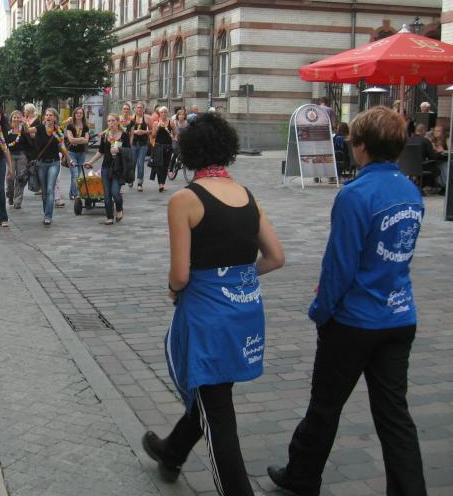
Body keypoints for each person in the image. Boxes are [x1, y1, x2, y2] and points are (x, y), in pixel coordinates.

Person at [268, 106, 427, 496]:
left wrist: (321, 311)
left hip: (355, 319)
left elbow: (339, 266)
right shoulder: (410, 190)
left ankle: (302, 477)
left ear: (361, 146)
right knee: (394, 415)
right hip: (399, 314)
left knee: (325, 404)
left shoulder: (355, 195)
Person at [142, 113, 284, 493]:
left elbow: (180, 274)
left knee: (217, 412)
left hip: (207, 318)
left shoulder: (185, 199)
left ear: (189, 152)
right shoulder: (247, 196)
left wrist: (174, 288)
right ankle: (171, 451)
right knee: (214, 393)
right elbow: (275, 257)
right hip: (245, 314)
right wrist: (240, 276)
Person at [85, 113, 130, 225]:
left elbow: (129, 151)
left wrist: (119, 150)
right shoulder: (105, 135)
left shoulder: (124, 135)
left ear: (118, 122)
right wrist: (90, 162)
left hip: (118, 168)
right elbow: (100, 151)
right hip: (106, 167)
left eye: (113, 120)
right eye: (109, 121)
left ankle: (119, 209)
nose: (111, 123)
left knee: (115, 192)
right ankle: (109, 217)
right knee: (107, 195)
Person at [30, 108, 72, 226]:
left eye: (50, 115)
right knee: (44, 191)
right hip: (41, 163)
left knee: (50, 189)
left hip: (54, 163)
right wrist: (22, 122)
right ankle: (46, 211)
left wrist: (69, 159)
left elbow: (62, 146)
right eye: (46, 115)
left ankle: (48, 216)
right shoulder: (39, 128)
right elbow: (27, 130)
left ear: (55, 118)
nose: (48, 117)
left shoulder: (58, 130)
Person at [6, 110, 32, 209]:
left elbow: (30, 140)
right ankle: (10, 194)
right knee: (10, 177)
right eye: (14, 117)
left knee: (21, 178)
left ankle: (18, 200)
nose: (16, 119)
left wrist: (26, 126)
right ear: (11, 118)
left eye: (18, 117)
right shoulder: (7, 129)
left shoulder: (24, 129)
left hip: (22, 156)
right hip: (10, 155)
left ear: (21, 119)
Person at [66, 107, 90, 200]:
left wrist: (77, 140)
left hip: (81, 153)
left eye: (81, 113)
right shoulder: (70, 126)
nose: (79, 114)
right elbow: (70, 140)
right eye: (77, 113)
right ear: (74, 114)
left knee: (77, 175)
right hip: (71, 153)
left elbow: (86, 140)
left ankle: (71, 193)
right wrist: (80, 139)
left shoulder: (85, 126)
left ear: (83, 115)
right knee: (75, 174)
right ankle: (75, 194)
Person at [151, 106, 176, 192]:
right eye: (162, 112)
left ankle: (163, 183)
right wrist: (158, 128)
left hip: (168, 146)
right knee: (159, 166)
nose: (163, 114)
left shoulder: (171, 122)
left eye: (165, 112)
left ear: (167, 113)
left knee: (165, 165)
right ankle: (160, 184)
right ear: (159, 114)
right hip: (158, 146)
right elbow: (153, 135)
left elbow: (175, 133)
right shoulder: (156, 123)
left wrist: (173, 136)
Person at [128, 102, 151, 192]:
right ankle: (131, 179)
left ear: (143, 109)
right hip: (133, 143)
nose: (139, 109)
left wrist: (144, 132)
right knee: (132, 163)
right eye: (138, 107)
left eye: (141, 108)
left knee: (140, 163)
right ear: (135, 109)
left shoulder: (147, 118)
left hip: (143, 144)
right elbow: (127, 131)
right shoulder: (131, 118)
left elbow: (152, 130)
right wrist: (134, 132)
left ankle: (140, 183)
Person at [23, 103, 43, 194]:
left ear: (29, 110)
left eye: (25, 110)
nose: (24, 111)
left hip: (34, 146)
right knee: (25, 167)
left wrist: (26, 124)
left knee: (35, 167)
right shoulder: (25, 120)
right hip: (25, 146)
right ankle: (30, 185)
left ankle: (40, 186)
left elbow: (34, 135)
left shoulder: (37, 121)